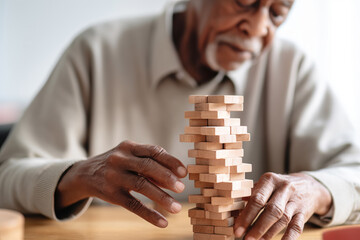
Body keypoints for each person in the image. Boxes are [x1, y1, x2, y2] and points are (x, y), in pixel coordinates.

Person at [0, 0, 360, 239]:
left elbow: (354, 171)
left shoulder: (291, 68)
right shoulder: (96, 51)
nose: (258, 27)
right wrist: (75, 176)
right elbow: (8, 174)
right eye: (244, 1)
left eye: (277, 13)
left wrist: (317, 188)